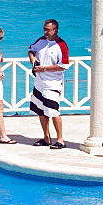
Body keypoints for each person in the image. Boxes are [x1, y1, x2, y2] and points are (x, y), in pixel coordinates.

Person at [28, 19, 70, 149]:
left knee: (53, 111)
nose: (45, 32)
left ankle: (60, 139)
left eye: (48, 29)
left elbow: (63, 65)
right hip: (39, 81)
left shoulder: (61, 45)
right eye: (44, 29)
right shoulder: (41, 41)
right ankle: (46, 137)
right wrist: (32, 59)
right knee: (40, 110)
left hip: (53, 83)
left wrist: (44, 68)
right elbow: (31, 49)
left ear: (55, 30)